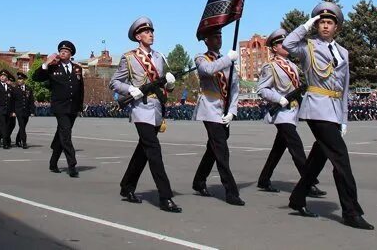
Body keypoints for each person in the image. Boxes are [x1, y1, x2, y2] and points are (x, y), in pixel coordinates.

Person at [284, 2, 373, 230]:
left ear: (337, 27)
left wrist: (343, 118)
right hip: (316, 107)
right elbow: (287, 44)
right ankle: (351, 211)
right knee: (340, 158)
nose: (325, 25)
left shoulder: (343, 52)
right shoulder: (308, 46)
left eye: (329, 22)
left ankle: (297, 197)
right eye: (321, 22)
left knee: (320, 156)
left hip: (333, 110)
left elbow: (344, 88)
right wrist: (306, 26)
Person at [110, 17, 181, 213]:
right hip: (141, 108)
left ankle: (127, 185)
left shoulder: (159, 57)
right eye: (146, 32)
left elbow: (164, 85)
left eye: (151, 31)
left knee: (143, 150)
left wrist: (170, 84)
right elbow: (115, 82)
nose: (151, 34)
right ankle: (165, 196)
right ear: (138, 36)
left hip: (157, 108)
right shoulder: (129, 57)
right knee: (154, 150)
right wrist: (130, 89)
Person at [256, 28, 326, 198]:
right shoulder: (270, 67)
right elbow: (262, 89)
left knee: (278, 149)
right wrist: (278, 99)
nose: (285, 46)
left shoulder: (293, 66)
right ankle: (307, 183)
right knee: (296, 147)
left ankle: (264, 179)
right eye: (281, 43)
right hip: (281, 113)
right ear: (274, 48)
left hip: (292, 111)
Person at [191, 27, 244, 206]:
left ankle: (199, 181)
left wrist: (232, 111)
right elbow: (208, 70)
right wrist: (228, 59)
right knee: (221, 149)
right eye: (214, 37)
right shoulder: (201, 57)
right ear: (206, 40)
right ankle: (231, 191)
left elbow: (235, 87)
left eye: (220, 36)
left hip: (224, 110)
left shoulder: (227, 60)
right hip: (210, 108)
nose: (218, 39)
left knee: (213, 148)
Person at [33, 40, 84, 178]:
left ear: (70, 54)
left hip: (73, 107)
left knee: (61, 135)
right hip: (60, 107)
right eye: (61, 51)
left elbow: (80, 89)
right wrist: (46, 63)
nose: (63, 53)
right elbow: (36, 78)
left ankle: (53, 162)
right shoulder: (53, 67)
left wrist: (80, 106)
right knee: (66, 134)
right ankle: (72, 165)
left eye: (66, 51)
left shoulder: (77, 68)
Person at [0, 70, 16, 149]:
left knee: (6, 126)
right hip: (0, 109)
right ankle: (5, 143)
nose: (2, 77)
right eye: (1, 76)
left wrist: (13, 111)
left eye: (4, 76)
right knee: (3, 126)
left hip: (8, 110)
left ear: (6, 78)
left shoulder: (10, 87)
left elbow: (12, 100)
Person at [13, 72, 35, 148]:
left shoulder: (28, 88)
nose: (19, 80)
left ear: (24, 80)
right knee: (22, 126)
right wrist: (13, 111)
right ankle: (24, 142)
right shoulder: (15, 89)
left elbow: (31, 101)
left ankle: (17, 139)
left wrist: (32, 111)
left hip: (26, 111)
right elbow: (13, 101)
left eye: (21, 79)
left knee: (23, 127)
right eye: (18, 79)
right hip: (18, 111)